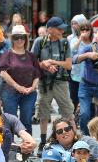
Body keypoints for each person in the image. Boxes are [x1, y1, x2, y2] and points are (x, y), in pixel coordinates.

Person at [31, 16, 75, 156]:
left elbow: (68, 64)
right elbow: (32, 62)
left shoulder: (64, 43)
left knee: (68, 113)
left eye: (63, 27)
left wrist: (53, 62)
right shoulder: (39, 41)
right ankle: (43, 143)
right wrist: (44, 64)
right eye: (59, 28)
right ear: (50, 29)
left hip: (61, 82)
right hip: (44, 83)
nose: (62, 30)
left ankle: (74, 142)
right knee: (44, 114)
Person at [0, 25, 40, 134]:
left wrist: (33, 87)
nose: (20, 40)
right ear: (12, 39)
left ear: (26, 38)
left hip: (29, 93)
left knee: (26, 120)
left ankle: (28, 148)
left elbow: (37, 74)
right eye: (16, 37)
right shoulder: (7, 54)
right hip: (10, 92)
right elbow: (3, 73)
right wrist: (18, 87)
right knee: (10, 121)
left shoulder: (31, 55)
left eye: (22, 37)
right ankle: (10, 147)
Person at [73, 28, 98, 135]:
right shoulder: (89, 48)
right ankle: (85, 137)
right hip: (86, 85)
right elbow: (74, 59)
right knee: (84, 114)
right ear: (95, 37)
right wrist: (88, 55)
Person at [0, 97, 36, 162]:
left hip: (7, 151)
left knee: (23, 149)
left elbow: (24, 134)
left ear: (0, 103)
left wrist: (31, 143)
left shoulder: (10, 118)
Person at [69, 20, 92, 113]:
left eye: (87, 29)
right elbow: (70, 53)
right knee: (74, 100)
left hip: (89, 77)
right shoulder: (74, 40)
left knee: (88, 104)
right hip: (76, 76)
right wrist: (80, 40)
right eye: (82, 29)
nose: (85, 32)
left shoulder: (95, 41)